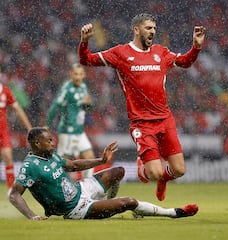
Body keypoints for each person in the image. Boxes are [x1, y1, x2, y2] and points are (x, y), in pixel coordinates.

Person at [78, 13, 206, 201]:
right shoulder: (120, 53)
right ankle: (142, 169)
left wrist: (196, 47)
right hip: (142, 123)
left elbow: (185, 62)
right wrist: (84, 42)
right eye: (148, 28)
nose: (153, 32)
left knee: (179, 170)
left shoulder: (161, 53)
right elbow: (86, 60)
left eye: (154, 28)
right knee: (153, 173)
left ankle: (164, 180)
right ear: (136, 30)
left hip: (165, 119)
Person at [8, 127, 198, 220]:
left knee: (118, 171)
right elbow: (14, 194)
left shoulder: (50, 155)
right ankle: (173, 213)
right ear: (37, 143)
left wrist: (101, 160)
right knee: (129, 202)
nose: (53, 143)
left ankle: (106, 204)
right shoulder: (30, 166)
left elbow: (73, 165)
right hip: (75, 210)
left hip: (81, 190)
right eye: (49, 140)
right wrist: (32, 216)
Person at [46, 63, 96, 180]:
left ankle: (87, 188)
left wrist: (88, 105)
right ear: (70, 75)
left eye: (80, 74)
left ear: (84, 75)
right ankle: (54, 184)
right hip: (67, 131)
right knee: (63, 161)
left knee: (90, 157)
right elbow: (55, 106)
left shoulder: (83, 87)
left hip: (79, 131)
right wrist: (47, 125)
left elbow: (86, 108)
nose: (78, 77)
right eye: (75, 74)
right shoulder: (66, 89)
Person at [0, 81, 32, 192]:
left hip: (3, 132)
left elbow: (18, 109)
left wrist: (29, 128)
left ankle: (11, 190)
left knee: (8, 157)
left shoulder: (5, 91)